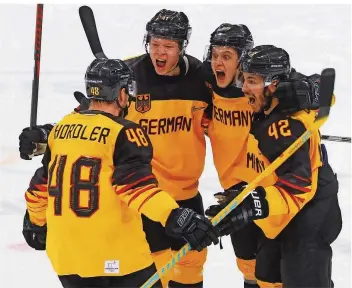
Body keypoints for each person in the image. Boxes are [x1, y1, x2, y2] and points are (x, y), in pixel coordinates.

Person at [19, 9, 213, 288]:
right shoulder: (131, 75)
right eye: (155, 44)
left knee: (190, 273)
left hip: (182, 195)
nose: (160, 52)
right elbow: (93, 120)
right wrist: (41, 135)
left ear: (182, 47)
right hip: (142, 201)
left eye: (168, 46)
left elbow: (80, 127)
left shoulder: (200, 79)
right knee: (157, 273)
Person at [206, 45, 342, 287]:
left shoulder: (287, 128)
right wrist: (246, 196)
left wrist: (252, 205)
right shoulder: (267, 103)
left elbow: (297, 188)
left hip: (308, 215)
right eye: (244, 80)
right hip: (280, 214)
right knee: (266, 277)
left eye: (251, 81)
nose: (244, 88)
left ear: (273, 84)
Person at [203, 23, 274, 288]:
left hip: (268, 194)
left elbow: (318, 93)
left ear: (243, 59)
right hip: (233, 192)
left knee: (274, 271)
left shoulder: (260, 86)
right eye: (215, 54)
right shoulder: (207, 81)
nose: (217, 62)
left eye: (227, 56)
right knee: (247, 265)